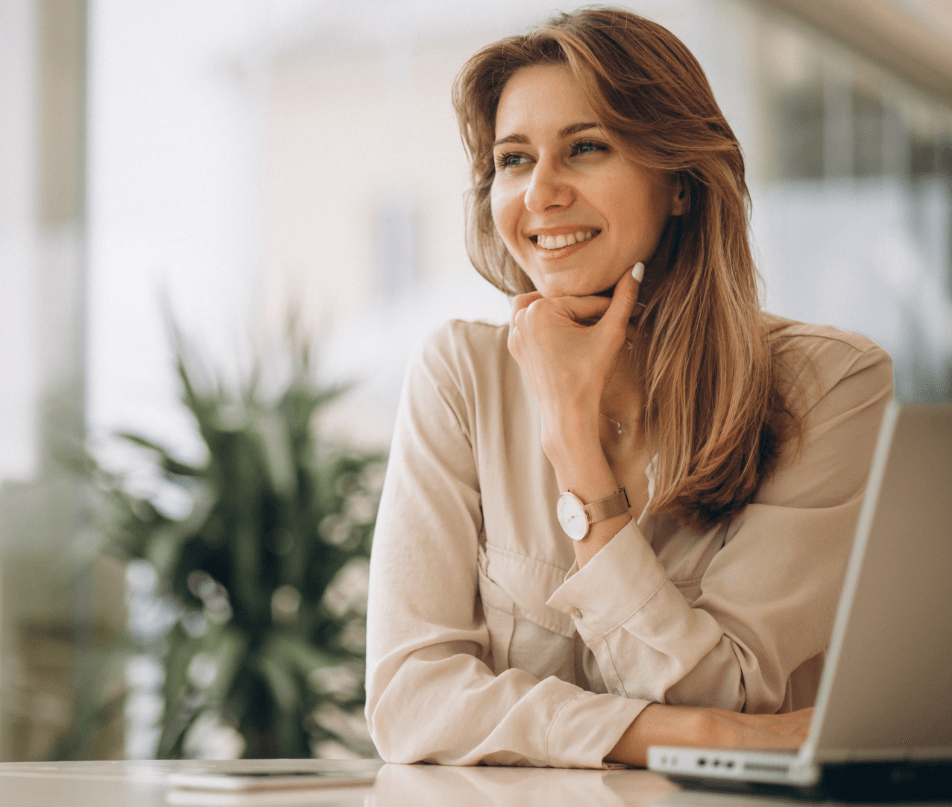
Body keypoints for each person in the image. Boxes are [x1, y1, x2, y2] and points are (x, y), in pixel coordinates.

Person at [364, 7, 893, 768]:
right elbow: (410, 701)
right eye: (514, 160)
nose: (540, 193)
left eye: (584, 148)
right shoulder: (459, 376)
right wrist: (690, 736)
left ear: (679, 182)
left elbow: (730, 694)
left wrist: (575, 450)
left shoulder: (831, 385)